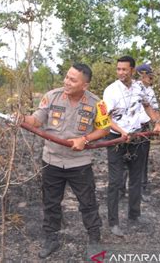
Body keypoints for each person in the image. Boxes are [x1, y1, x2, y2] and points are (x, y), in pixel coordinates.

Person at [14, 63, 111, 259]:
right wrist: (22, 118)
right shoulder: (51, 96)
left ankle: (94, 240)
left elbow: (105, 129)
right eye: (67, 77)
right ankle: (52, 239)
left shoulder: (97, 103)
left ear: (85, 85)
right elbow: (36, 120)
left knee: (88, 203)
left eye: (73, 79)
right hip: (52, 160)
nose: (66, 82)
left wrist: (85, 139)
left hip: (79, 163)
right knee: (51, 203)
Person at [103, 56, 160, 237]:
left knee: (136, 178)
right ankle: (113, 222)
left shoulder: (140, 88)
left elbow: (148, 106)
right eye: (118, 69)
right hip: (117, 140)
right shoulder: (111, 91)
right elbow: (105, 118)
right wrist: (120, 131)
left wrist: (158, 123)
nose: (121, 73)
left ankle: (134, 214)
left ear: (132, 70)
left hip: (138, 137)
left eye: (124, 69)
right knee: (115, 182)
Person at [119, 63, 159, 202]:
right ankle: (121, 190)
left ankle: (141, 189)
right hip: (128, 129)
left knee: (142, 161)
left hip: (144, 129)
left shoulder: (150, 91)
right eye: (148, 75)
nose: (151, 78)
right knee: (124, 159)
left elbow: (154, 110)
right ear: (142, 75)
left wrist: (159, 124)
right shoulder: (130, 88)